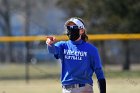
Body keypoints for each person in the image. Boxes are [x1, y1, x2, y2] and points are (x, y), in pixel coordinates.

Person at [46, 17, 106, 93]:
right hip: (67, 90)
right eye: (68, 27)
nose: (70, 30)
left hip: (85, 89)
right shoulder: (63, 45)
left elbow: (99, 72)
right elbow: (53, 50)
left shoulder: (91, 49)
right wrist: (50, 44)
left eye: (74, 27)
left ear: (81, 31)